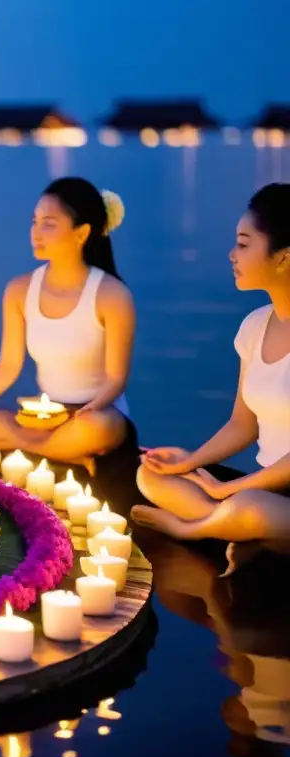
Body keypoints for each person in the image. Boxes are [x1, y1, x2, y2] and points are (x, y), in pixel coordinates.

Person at [134, 183, 290, 572]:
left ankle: (193, 529)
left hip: (259, 496)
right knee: (151, 476)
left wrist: (228, 488)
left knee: (249, 508)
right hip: (260, 490)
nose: (231, 255)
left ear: (284, 256)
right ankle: (235, 529)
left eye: (243, 244)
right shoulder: (255, 327)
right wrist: (190, 463)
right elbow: (242, 425)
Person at [0, 177, 135, 474]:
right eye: (34, 222)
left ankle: (39, 447)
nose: (36, 232)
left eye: (48, 223)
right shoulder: (19, 290)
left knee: (93, 429)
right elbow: (8, 365)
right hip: (43, 416)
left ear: (81, 233)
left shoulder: (112, 295)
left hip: (96, 414)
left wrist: (84, 412)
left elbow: (116, 379)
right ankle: (63, 453)